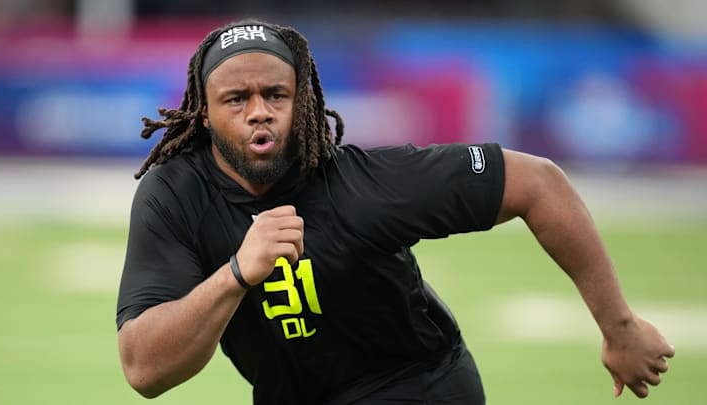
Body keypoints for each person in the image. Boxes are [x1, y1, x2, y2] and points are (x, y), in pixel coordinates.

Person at [116, 19, 675, 404]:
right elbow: (144, 369)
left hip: (418, 384)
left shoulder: (363, 185)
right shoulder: (174, 197)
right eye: (236, 100)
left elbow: (540, 184)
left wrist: (619, 327)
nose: (259, 112)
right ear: (205, 114)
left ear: (301, 100)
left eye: (276, 95)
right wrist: (236, 274)